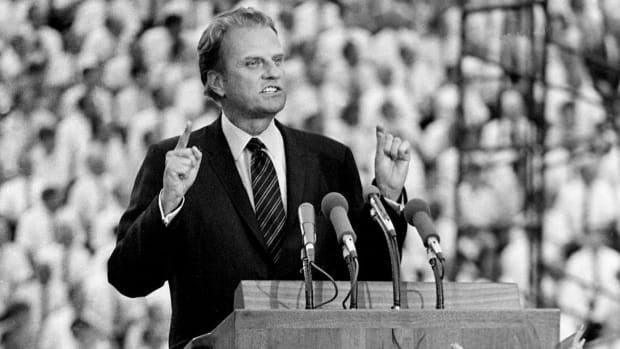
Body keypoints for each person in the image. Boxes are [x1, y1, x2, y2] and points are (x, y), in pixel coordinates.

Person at [107, 7, 412, 349]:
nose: (273, 73)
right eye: (254, 63)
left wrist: (387, 197)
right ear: (216, 81)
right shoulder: (176, 162)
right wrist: (169, 203)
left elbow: (372, 281)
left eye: (277, 60)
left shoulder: (331, 159)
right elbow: (128, 278)